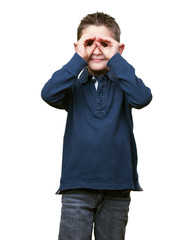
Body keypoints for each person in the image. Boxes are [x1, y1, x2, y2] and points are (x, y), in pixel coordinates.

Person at [41, 12, 152, 240]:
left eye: (105, 44)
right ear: (78, 48)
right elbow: (48, 93)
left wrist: (116, 61)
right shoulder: (72, 86)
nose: (97, 49)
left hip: (117, 186)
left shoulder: (124, 84)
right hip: (77, 186)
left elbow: (142, 98)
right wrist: (78, 60)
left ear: (119, 49)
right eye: (89, 43)